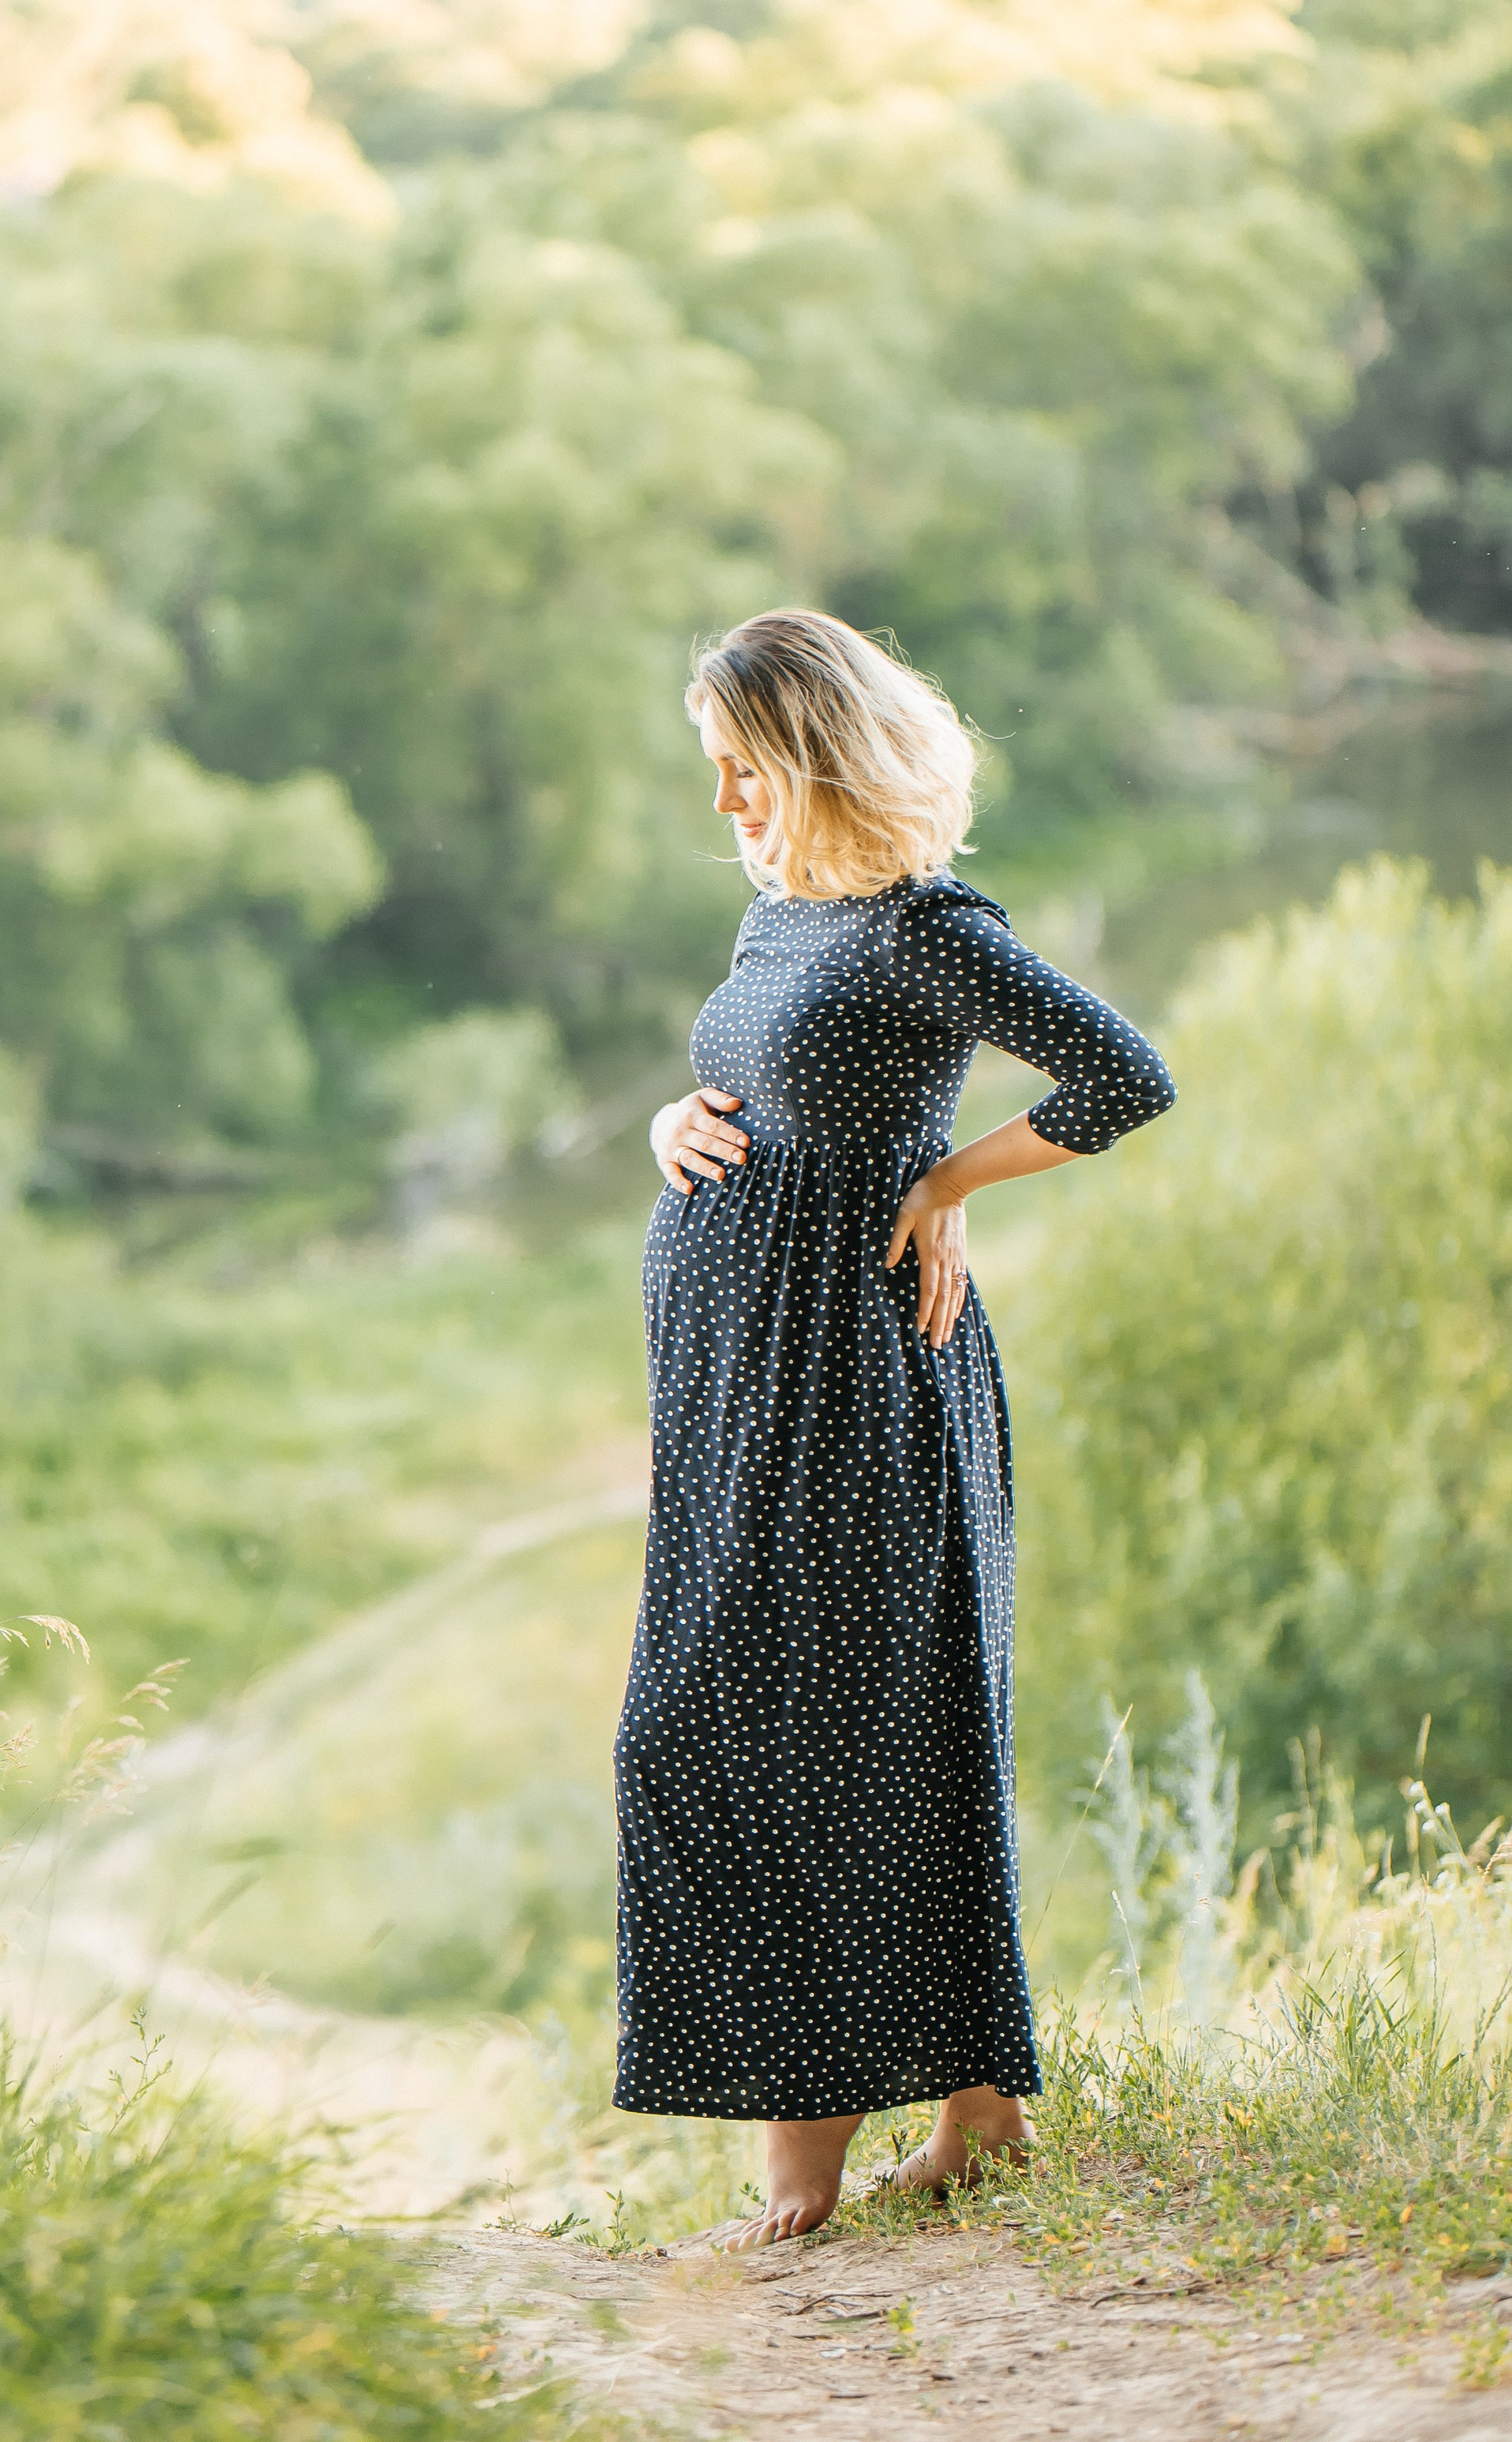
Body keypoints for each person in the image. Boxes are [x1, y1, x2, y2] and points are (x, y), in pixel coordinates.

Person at [615, 608, 1175, 2249]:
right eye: (715, 769)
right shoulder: (780, 910)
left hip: (853, 1383)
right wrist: (669, 1119)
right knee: (744, 1725)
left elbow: (1120, 1076)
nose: (724, 801)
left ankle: (806, 2159)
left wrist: (945, 1181)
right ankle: (979, 2111)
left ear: (814, 756)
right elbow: (765, 1088)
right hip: (732, 1386)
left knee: (815, 1726)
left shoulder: (924, 927)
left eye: (743, 768)